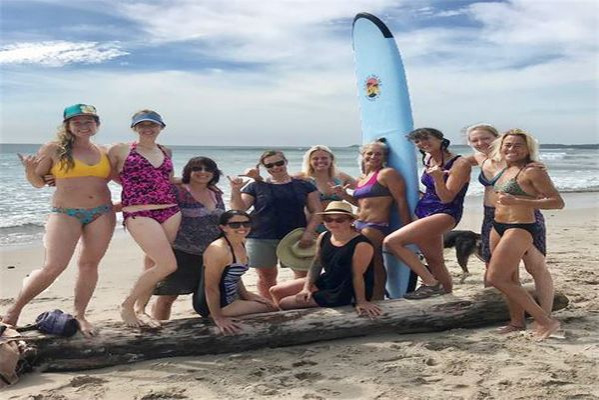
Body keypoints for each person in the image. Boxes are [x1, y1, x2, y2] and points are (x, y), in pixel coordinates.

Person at [2, 104, 115, 337]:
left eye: (89, 121)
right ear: (67, 125)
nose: (83, 126)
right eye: (77, 122)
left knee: (89, 265)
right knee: (53, 267)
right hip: (65, 213)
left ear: (97, 124)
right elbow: (38, 182)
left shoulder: (104, 151)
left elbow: (123, 179)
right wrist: (29, 170)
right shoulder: (54, 149)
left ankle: (80, 315)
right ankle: (13, 312)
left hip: (102, 213)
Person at [465, 123, 553, 333]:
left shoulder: (520, 162)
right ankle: (517, 321)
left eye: (485, 138)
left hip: (523, 218)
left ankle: (545, 317)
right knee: (504, 272)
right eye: (475, 140)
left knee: (535, 267)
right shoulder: (482, 158)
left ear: (497, 138)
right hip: (493, 217)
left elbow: (547, 194)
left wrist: (536, 168)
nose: (480, 143)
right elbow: (460, 161)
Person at [486, 129, 563, 340]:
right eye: (507, 145)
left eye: (518, 145)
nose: (511, 149)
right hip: (498, 225)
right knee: (510, 278)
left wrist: (518, 201)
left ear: (528, 149)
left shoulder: (533, 170)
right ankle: (517, 322)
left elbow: (557, 202)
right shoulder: (503, 168)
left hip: (520, 227)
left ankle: (546, 321)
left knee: (496, 278)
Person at [108, 110, 181, 328]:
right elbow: (105, 174)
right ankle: (127, 305)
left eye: (152, 125)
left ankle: (141, 309)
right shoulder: (120, 149)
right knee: (167, 264)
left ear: (161, 127)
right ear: (135, 128)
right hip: (139, 212)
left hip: (170, 210)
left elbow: (167, 179)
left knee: (152, 262)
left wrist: (201, 182)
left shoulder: (165, 150)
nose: (147, 129)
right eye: (142, 125)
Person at [384, 128, 471, 299]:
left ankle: (430, 283)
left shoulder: (460, 163)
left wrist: (438, 178)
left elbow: (447, 198)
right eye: (417, 141)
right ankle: (449, 300)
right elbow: (432, 189)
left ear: (440, 139)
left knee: (392, 242)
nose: (422, 143)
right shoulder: (428, 158)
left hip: (445, 213)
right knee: (435, 261)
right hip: (423, 210)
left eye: (426, 138)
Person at [229, 150, 322, 296]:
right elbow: (239, 209)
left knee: (302, 274)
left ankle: (296, 302)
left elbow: (317, 211)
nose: (275, 167)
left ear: (286, 162)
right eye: (270, 165)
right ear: (264, 168)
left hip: (295, 236)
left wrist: (309, 232)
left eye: (279, 163)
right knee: (266, 276)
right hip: (262, 236)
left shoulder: (304, 185)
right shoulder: (256, 186)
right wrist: (235, 190)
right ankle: (270, 305)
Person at [269, 201, 381, 319]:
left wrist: (361, 301)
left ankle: (289, 322)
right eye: (328, 219)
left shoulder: (361, 244)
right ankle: (284, 321)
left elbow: (358, 276)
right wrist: (306, 288)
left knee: (285, 303)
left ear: (351, 221)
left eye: (340, 220)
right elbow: (317, 263)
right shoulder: (324, 236)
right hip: (328, 280)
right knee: (275, 290)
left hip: (346, 289)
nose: (333, 223)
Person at [148, 157, 225, 321]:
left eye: (208, 169)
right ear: (188, 171)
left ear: (214, 173)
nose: (203, 172)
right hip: (180, 252)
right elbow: (154, 203)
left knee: (210, 295)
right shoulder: (178, 191)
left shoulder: (216, 193)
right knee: (167, 297)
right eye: (197, 168)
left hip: (210, 254)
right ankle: (159, 327)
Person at [337, 140, 411, 300]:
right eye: (369, 153)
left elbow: (401, 201)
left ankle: (378, 298)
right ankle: (361, 295)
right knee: (356, 263)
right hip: (357, 223)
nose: (373, 156)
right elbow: (361, 203)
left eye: (378, 154)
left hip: (375, 226)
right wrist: (344, 196)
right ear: (363, 155)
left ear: (384, 157)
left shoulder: (387, 174)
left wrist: (407, 228)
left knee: (375, 261)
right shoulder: (362, 178)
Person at [193, 210, 276, 335]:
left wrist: (246, 295)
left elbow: (234, 275)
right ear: (223, 227)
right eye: (235, 225)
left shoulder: (241, 242)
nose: (242, 227)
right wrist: (218, 318)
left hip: (232, 295)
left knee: (271, 305)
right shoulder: (218, 250)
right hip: (214, 304)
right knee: (269, 308)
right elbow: (210, 287)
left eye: (246, 223)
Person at [295, 145, 355, 209]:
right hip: (314, 215)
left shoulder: (341, 176)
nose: (320, 161)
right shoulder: (302, 178)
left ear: (331, 159)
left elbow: (361, 190)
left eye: (324, 158)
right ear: (309, 161)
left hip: (337, 214)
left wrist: (345, 195)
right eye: (315, 158)